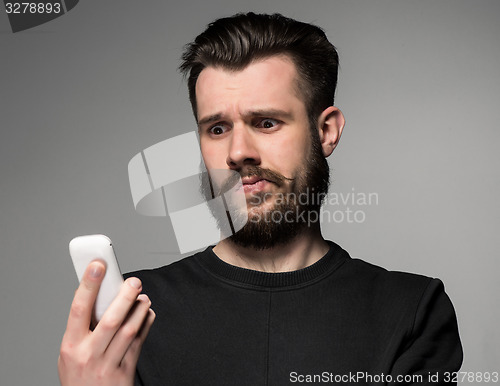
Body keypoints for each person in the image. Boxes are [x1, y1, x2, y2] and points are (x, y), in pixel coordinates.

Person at [58, 12, 462, 386]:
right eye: (217, 129)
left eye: (266, 122)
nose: (237, 152)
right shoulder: (132, 316)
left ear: (326, 132)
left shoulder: (411, 312)